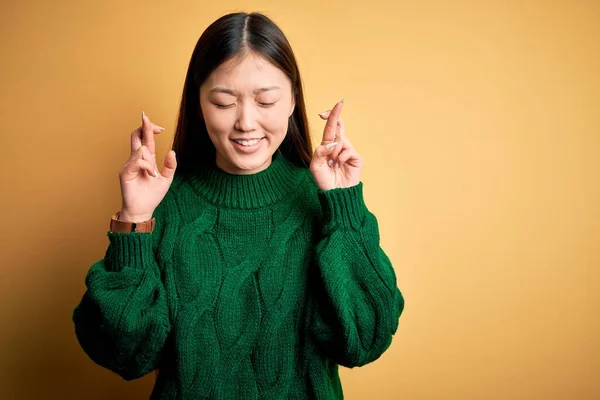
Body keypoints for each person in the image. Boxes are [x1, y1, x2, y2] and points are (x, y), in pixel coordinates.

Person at [72, 11, 404, 399]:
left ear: (293, 100)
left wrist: (343, 204)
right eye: (224, 102)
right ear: (198, 104)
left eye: (266, 101)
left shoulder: (323, 202)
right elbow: (123, 355)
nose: (246, 123)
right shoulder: (163, 205)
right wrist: (134, 220)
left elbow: (365, 341)